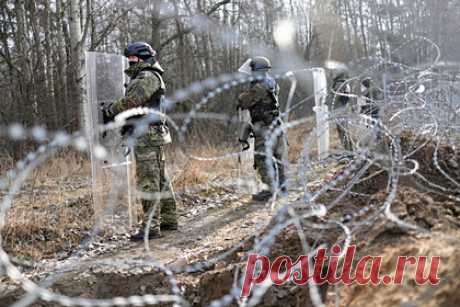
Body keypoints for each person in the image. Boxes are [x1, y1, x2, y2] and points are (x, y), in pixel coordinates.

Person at [104, 42, 177, 241]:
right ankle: (169, 219)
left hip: (147, 135)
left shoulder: (147, 76)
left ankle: (151, 227)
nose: (129, 61)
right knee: (159, 178)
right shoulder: (150, 75)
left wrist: (110, 110)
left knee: (148, 181)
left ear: (142, 57)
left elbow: (131, 101)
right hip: (151, 133)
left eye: (132, 58)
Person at [237, 56, 287, 202]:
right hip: (275, 124)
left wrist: (242, 95)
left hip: (264, 127)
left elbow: (243, 101)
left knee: (262, 158)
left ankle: (271, 190)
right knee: (277, 157)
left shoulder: (259, 87)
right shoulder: (271, 82)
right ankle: (281, 186)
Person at [331, 72, 354, 152]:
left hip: (341, 111)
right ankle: (349, 150)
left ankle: (349, 151)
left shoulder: (340, 84)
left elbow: (336, 97)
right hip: (342, 110)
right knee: (343, 131)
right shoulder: (344, 84)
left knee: (343, 131)